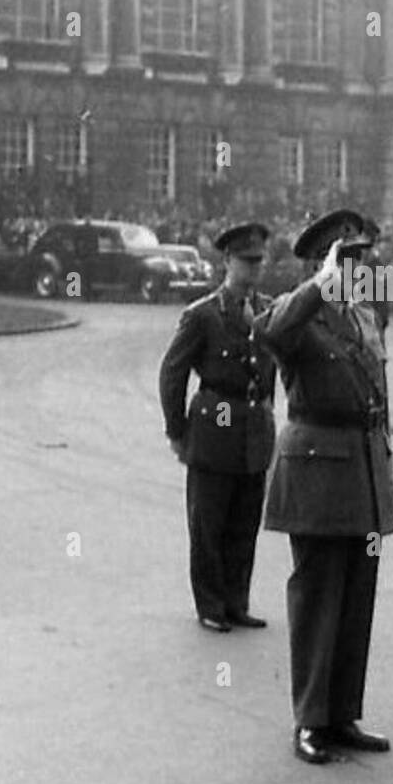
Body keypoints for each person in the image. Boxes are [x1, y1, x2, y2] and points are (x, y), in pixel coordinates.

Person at [255, 209, 393, 766]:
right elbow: (268, 330)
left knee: (357, 598)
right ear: (321, 261)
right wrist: (320, 285)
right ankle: (310, 719)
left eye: (361, 258)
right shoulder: (299, 315)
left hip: (362, 467)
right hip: (317, 471)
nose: (358, 267)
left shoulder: (364, 318)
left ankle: (343, 713)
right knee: (318, 598)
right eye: (347, 258)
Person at [159, 222, 278, 631]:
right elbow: (172, 374)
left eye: (259, 261)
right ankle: (210, 605)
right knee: (209, 524)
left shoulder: (268, 310)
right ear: (226, 262)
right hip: (215, 428)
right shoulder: (203, 315)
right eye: (246, 261)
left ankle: (236, 601)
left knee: (245, 523)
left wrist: (269, 417)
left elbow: (272, 371)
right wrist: (177, 431)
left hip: (253, 430)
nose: (254, 269)